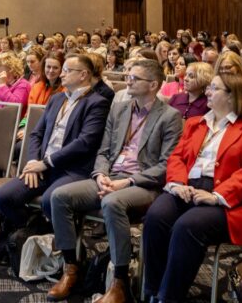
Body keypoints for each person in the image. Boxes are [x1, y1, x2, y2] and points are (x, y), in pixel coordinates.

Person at [47, 60, 181, 302]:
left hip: (143, 184)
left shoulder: (170, 116)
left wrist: (126, 183)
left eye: (135, 78)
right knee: (60, 197)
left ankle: (119, 281)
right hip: (110, 177)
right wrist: (100, 175)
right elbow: (103, 151)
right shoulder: (119, 110)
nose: (127, 80)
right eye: (128, 76)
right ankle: (71, 268)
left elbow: (166, 166)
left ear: (153, 84)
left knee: (112, 203)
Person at [141, 72, 242, 303]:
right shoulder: (195, 124)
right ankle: (152, 290)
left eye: (214, 88)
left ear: (231, 96)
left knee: (187, 226)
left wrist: (217, 196)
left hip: (227, 197)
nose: (207, 92)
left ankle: (168, 297)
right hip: (187, 186)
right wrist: (178, 184)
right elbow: (176, 158)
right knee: (155, 217)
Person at [0, 54, 109, 238]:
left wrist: (45, 163)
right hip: (42, 167)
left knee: (50, 200)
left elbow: (85, 143)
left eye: (67, 70)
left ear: (83, 75)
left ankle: (63, 248)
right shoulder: (56, 99)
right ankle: (34, 230)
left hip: (72, 170)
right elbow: (36, 133)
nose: (61, 74)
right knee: (4, 197)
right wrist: (33, 162)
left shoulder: (97, 103)